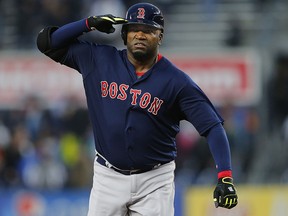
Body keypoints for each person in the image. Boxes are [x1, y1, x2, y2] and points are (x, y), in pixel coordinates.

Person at [36, 2, 238, 215]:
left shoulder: (177, 82)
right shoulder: (99, 60)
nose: (140, 35)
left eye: (149, 31)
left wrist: (225, 176)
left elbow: (213, 127)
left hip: (154, 180)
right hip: (108, 176)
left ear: (160, 37)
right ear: (124, 35)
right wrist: (88, 24)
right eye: (134, 29)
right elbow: (47, 42)